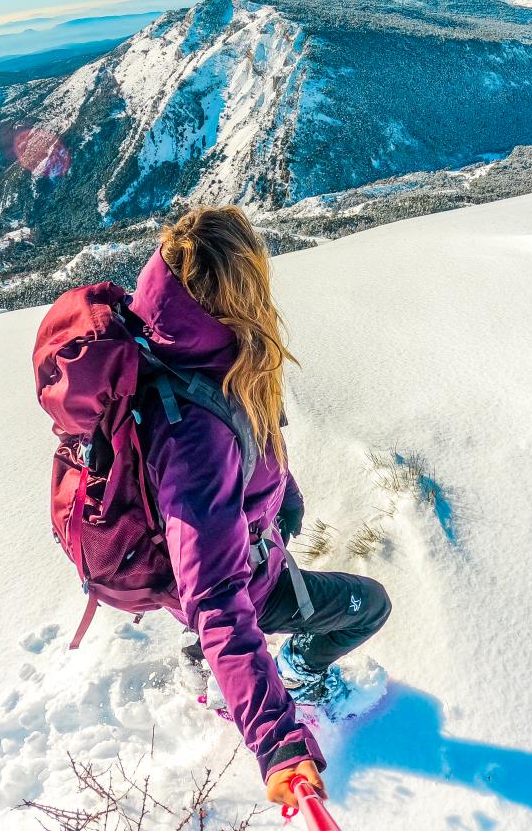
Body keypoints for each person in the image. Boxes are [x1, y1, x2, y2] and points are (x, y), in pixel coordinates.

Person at [128, 205, 391, 808]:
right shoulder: (195, 433)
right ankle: (296, 667)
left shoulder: (176, 343)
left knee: (209, 609)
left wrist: (284, 499)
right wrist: (279, 743)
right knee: (369, 607)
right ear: (240, 292)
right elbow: (218, 596)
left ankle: (209, 661)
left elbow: (253, 443)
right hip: (243, 582)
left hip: (215, 558)